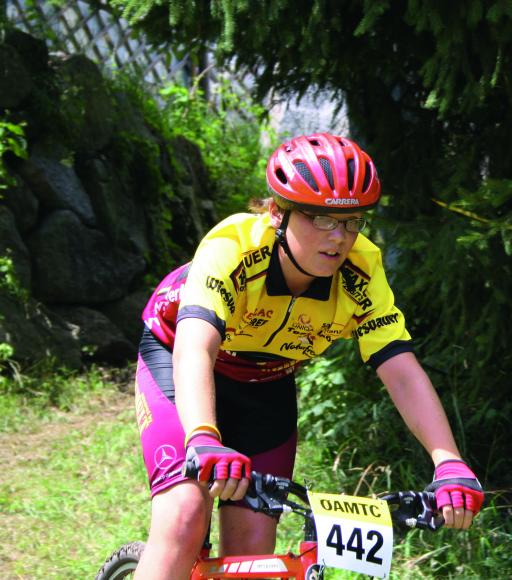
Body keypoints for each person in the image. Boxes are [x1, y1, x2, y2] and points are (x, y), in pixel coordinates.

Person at [131, 133, 483, 579]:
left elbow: (400, 369)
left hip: (266, 383)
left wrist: (448, 460)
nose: (339, 238)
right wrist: (203, 435)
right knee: (184, 515)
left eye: (352, 221)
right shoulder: (232, 247)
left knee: (253, 555)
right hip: (178, 356)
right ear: (278, 212)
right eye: (320, 219)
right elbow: (196, 347)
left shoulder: (361, 270)